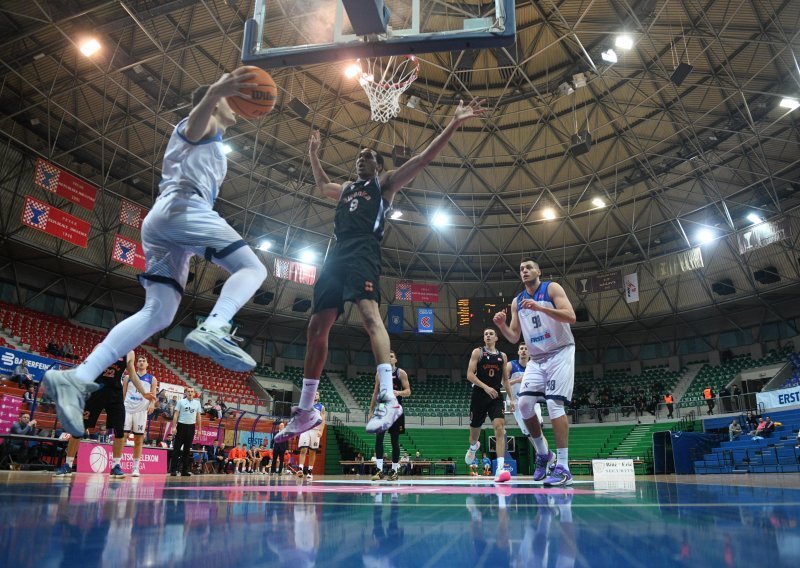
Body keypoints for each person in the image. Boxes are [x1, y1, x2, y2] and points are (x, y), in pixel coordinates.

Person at [43, 69, 268, 435]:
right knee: (252, 269)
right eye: (228, 101)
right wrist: (214, 90)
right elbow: (195, 124)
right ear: (215, 102)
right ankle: (216, 325)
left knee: (157, 313)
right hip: (183, 210)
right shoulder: (202, 124)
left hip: (167, 223)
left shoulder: (216, 141)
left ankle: (78, 376)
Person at [275, 99, 487, 444]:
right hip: (336, 252)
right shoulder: (345, 189)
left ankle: (388, 398)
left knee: (369, 314)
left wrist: (454, 123)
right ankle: (305, 409)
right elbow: (320, 185)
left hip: (363, 249)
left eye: (369, 155)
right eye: (359, 154)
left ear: (378, 165)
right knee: (317, 325)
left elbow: (422, 159)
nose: (362, 157)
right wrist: (313, 153)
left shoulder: (384, 184)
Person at [493, 258, 577, 486]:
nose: (525, 271)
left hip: (560, 352)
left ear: (539, 271)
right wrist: (501, 326)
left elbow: (571, 316)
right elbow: (513, 337)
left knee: (553, 405)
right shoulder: (517, 301)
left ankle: (564, 466)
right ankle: (543, 453)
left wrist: (540, 307)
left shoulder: (552, 288)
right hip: (537, 359)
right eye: (521, 269)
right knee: (523, 405)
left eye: (529, 267)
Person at [54, 352, 154, 477]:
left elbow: (133, 375)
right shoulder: (103, 347)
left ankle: (115, 466)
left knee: (119, 431)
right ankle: (68, 464)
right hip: (97, 390)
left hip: (115, 394)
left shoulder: (129, 352)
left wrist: (144, 393)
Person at [464, 328, 515, 483]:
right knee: (474, 435)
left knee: (500, 428)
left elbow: (505, 380)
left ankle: (500, 469)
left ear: (496, 338)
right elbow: (469, 375)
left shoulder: (503, 356)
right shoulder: (477, 353)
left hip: (495, 397)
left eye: (491, 334)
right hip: (479, 395)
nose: (488, 335)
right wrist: (485, 387)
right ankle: (473, 447)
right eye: (485, 333)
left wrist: (512, 399)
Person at [506, 341, 552, 478]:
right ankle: (548, 456)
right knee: (530, 436)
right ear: (518, 352)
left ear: (530, 352)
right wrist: (518, 380)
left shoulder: (534, 365)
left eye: (526, 348)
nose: (524, 350)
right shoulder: (510, 365)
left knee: (538, 432)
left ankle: (547, 463)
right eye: (521, 348)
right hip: (517, 404)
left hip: (532, 401)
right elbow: (504, 382)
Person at [370, 350, 410, 482]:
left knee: (394, 441)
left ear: (395, 360)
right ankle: (379, 470)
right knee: (378, 439)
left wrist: (398, 392)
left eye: (391, 356)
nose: (389, 358)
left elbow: (408, 391)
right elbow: (375, 393)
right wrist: (371, 411)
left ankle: (394, 470)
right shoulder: (379, 374)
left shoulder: (400, 373)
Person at [123, 355, 158, 477]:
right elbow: (123, 393)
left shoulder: (152, 379)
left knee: (138, 439)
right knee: (122, 436)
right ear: (136, 364)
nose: (141, 362)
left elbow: (153, 395)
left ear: (147, 364)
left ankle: (135, 467)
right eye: (139, 361)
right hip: (127, 408)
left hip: (141, 410)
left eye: (144, 361)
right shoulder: (128, 377)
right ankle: (116, 463)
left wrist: (152, 404)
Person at [170, 387, 202, 477]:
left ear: (194, 393)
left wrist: (199, 429)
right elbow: (176, 414)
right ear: (186, 393)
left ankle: (184, 470)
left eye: (192, 391)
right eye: (188, 391)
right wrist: (173, 427)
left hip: (191, 427)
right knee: (176, 449)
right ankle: (173, 470)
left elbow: (198, 416)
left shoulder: (197, 403)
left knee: (187, 450)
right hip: (181, 426)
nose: (190, 393)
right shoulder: (181, 402)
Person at [297, 391, 326, 481]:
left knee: (312, 451)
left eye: (317, 394)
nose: (315, 395)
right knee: (303, 449)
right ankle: (300, 469)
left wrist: (321, 431)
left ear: (319, 397)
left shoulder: (321, 407)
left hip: (315, 430)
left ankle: (310, 471)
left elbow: (323, 420)